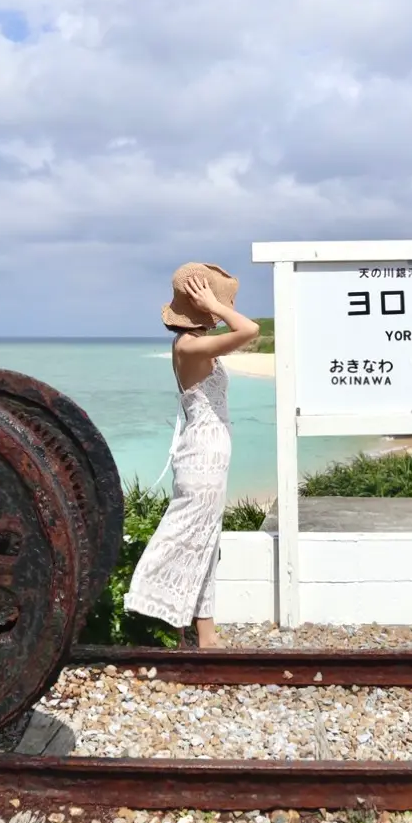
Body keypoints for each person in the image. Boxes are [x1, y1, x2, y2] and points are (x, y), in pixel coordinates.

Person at [124, 262, 260, 648]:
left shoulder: (194, 343)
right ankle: (142, 605)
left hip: (208, 455)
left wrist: (211, 306)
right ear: (202, 305)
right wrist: (215, 304)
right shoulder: (191, 346)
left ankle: (206, 634)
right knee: (184, 536)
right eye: (214, 301)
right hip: (201, 456)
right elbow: (250, 330)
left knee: (205, 542)